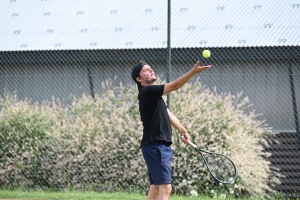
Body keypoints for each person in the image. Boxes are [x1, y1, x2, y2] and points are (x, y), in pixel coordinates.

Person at [131, 60, 212, 200]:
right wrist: (193, 72)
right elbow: (175, 86)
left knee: (156, 189)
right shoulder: (147, 91)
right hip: (156, 146)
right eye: (145, 70)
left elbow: (168, 115)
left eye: (150, 68)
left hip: (154, 146)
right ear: (139, 79)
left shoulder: (154, 97)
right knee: (165, 187)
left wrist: (183, 131)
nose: (150, 70)